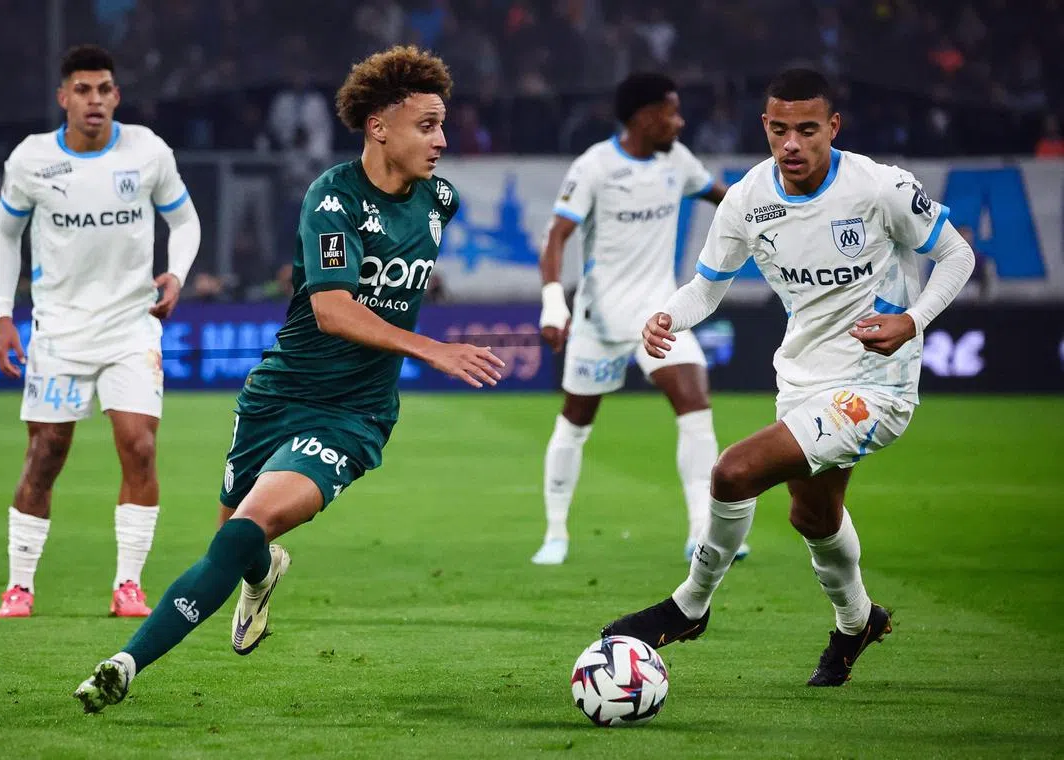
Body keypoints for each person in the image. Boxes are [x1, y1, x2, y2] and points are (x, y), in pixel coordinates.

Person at [73, 45, 505, 713]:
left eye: (442, 124)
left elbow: (394, 279)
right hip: (276, 397)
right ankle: (264, 575)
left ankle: (126, 665)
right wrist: (430, 347)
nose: (442, 141)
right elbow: (332, 311)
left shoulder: (438, 201)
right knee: (236, 543)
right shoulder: (331, 198)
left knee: (245, 528)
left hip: (351, 418)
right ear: (378, 126)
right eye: (427, 125)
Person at [601, 69, 975, 687]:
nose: (793, 144)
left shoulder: (878, 187)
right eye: (780, 130)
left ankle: (690, 606)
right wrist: (667, 313)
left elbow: (956, 254)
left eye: (807, 129)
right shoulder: (749, 199)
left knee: (733, 472)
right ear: (765, 128)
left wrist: (912, 319)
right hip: (804, 377)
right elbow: (705, 288)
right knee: (814, 517)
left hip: (877, 387)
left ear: (833, 127)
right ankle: (857, 622)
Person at [0, 44, 201, 618]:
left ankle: (128, 584)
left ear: (117, 96)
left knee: (140, 446)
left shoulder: (146, 151)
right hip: (58, 331)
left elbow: (183, 220)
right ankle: (20, 586)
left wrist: (176, 275)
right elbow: (6, 236)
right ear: (64, 97)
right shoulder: (31, 160)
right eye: (83, 89)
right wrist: (4, 315)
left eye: (104, 89)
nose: (95, 100)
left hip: (132, 326)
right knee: (46, 452)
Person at [532, 72, 746, 566]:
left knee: (695, 404)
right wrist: (552, 304)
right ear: (644, 117)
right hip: (600, 321)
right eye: (671, 112)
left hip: (661, 313)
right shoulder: (595, 167)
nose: (680, 120)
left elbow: (728, 200)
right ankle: (556, 533)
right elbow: (557, 237)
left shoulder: (678, 161)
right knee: (576, 421)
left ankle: (701, 533)